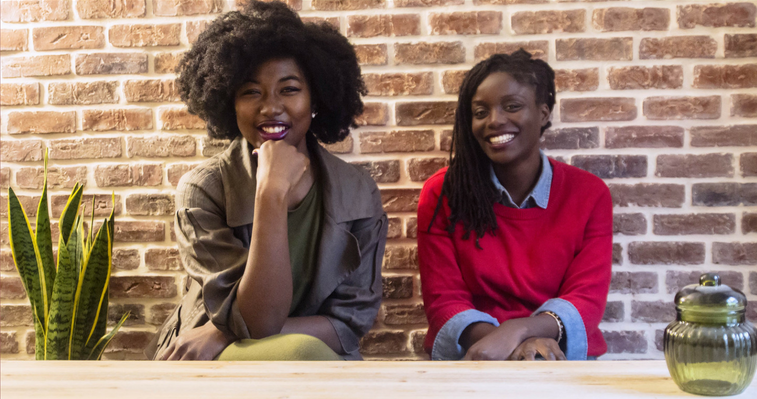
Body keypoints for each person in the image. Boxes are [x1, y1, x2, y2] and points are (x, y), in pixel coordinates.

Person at [145, 1, 387, 361]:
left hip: (298, 352)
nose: (271, 107)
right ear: (229, 102)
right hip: (203, 356)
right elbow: (257, 320)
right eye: (250, 91)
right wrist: (270, 192)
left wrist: (224, 331)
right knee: (302, 350)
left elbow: (349, 324)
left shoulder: (358, 192)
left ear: (315, 98)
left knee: (305, 352)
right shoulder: (203, 190)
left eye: (289, 89)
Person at [417, 50, 612, 361]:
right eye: (480, 112)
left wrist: (520, 332)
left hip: (560, 358)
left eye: (512, 107)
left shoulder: (589, 194)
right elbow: (444, 300)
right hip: (475, 355)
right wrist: (515, 346)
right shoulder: (443, 193)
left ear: (544, 113)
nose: (494, 121)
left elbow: (586, 298)